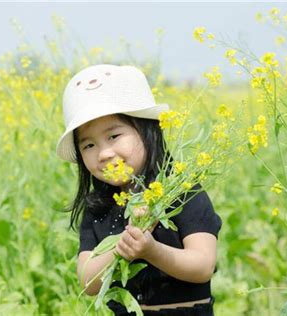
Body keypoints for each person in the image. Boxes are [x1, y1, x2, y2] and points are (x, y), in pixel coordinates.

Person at [56, 64, 222, 315]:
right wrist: (122, 249)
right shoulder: (98, 208)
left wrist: (151, 250)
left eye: (113, 136)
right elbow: (88, 281)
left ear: (147, 131)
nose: (104, 153)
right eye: (89, 145)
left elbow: (202, 266)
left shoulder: (181, 191)